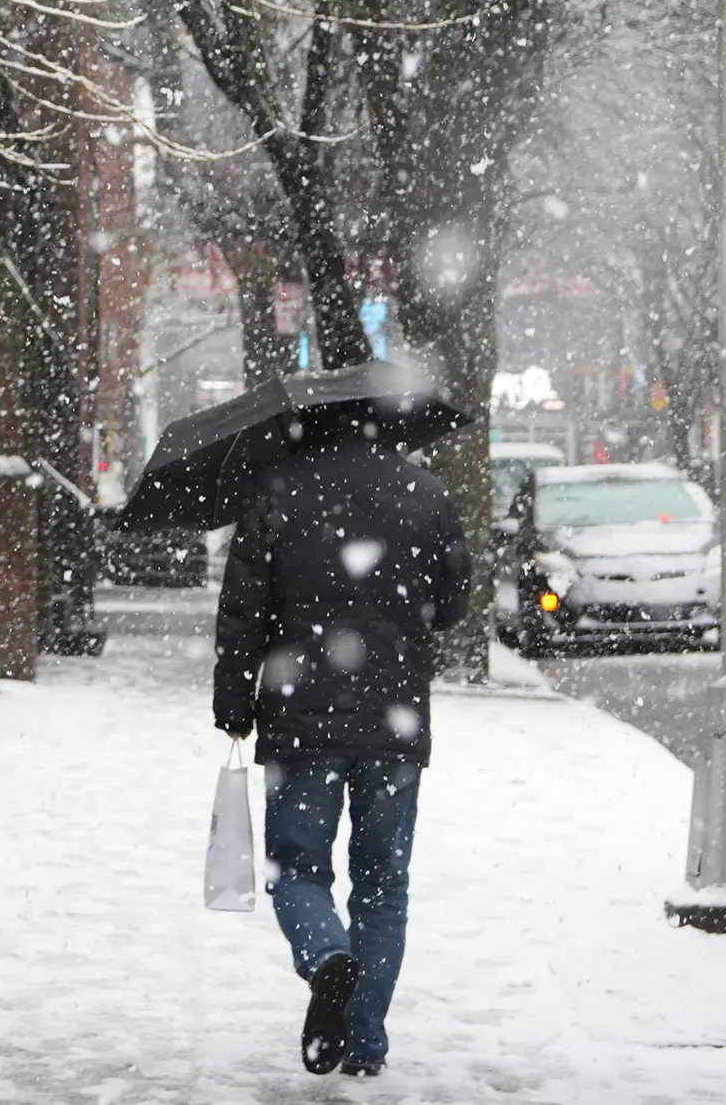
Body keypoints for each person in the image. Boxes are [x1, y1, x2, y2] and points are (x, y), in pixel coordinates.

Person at [213, 416, 470, 1077]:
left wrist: (234, 701)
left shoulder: (276, 491)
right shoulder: (426, 492)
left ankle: (327, 957)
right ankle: (363, 1039)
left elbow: (242, 608)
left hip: (301, 720)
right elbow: (451, 604)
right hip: (395, 722)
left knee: (298, 869)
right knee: (384, 885)